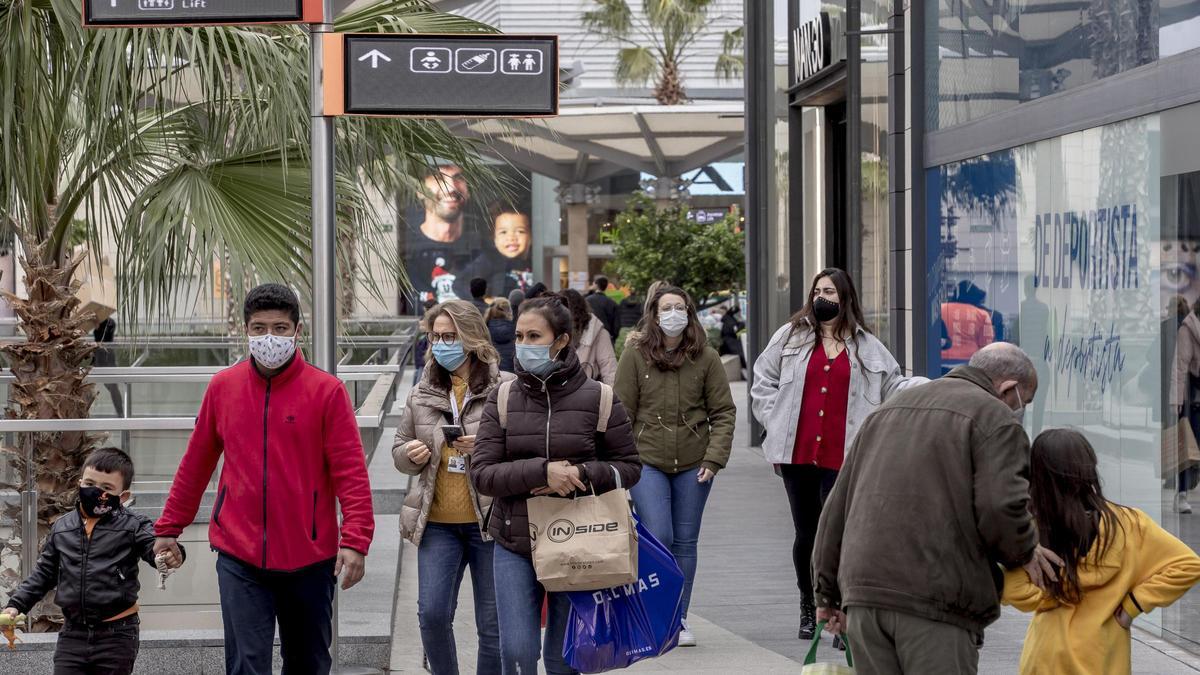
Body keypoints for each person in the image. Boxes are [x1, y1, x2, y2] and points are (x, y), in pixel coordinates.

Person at [154, 283, 375, 675]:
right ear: (245, 330)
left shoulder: (327, 392)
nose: (268, 338)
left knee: (307, 664)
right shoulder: (223, 388)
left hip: (310, 559)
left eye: (279, 328)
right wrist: (170, 526)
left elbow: (351, 473)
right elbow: (196, 463)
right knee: (246, 666)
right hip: (239, 555)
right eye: (258, 328)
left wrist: (355, 541)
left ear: (297, 330)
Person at [812, 342, 1063, 675]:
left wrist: (825, 594)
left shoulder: (888, 410)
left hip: (864, 596)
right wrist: (1025, 551)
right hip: (935, 601)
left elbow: (835, 510)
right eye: (1024, 401)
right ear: (1009, 388)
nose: (1021, 409)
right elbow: (1000, 506)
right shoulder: (996, 418)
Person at [750, 268, 925, 643]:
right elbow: (762, 379)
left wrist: (925, 388)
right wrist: (773, 417)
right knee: (807, 534)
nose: (821, 297)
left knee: (842, 536)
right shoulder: (791, 336)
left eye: (828, 291)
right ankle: (808, 605)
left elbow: (893, 384)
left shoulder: (867, 346)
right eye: (816, 291)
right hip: (797, 452)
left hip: (843, 455)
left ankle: (841, 614)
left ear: (844, 298)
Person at [469, 296, 642, 675]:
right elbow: (482, 473)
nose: (524, 344)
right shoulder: (503, 398)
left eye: (535, 335)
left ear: (561, 340)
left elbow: (629, 468)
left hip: (579, 539)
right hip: (514, 540)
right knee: (516, 652)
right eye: (519, 335)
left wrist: (581, 475)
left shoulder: (599, 398)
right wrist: (542, 472)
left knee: (564, 660)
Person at [1003, 429, 1200, 674]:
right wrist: (1133, 605)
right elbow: (1188, 565)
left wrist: (1047, 590)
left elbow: (1011, 589)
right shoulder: (1129, 524)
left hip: (1048, 660)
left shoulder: (1034, 533)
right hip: (1106, 661)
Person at [393, 300, 514, 675]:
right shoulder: (422, 391)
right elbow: (399, 448)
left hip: (491, 523)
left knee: (492, 626)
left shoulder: (506, 387)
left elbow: (527, 449)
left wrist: (488, 446)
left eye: (450, 336)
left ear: (472, 337)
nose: (442, 343)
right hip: (437, 522)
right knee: (431, 614)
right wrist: (410, 455)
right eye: (436, 336)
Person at [615, 285, 736, 647]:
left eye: (679, 307)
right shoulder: (635, 355)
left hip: (694, 464)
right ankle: (654, 613)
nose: (673, 314)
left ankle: (678, 618)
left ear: (689, 313)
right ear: (653, 313)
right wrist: (622, 464)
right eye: (666, 308)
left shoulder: (707, 357)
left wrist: (714, 458)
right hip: (647, 460)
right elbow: (621, 412)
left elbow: (724, 412)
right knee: (659, 537)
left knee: (685, 542)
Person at [4, 448, 184, 675]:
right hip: (72, 634)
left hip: (117, 634)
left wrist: (169, 555)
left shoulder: (133, 525)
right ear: (79, 484)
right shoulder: (62, 527)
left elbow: (155, 546)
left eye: (107, 488)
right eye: (89, 484)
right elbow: (43, 574)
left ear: (124, 496)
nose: (96, 492)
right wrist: (16, 605)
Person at [1171, 297, 1200, 513]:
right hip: (1195, 395)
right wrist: (1176, 400)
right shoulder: (1188, 329)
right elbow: (1179, 367)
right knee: (1188, 446)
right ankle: (1181, 494)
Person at [558, 289, 617, 385]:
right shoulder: (554, 330)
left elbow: (609, 370)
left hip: (588, 394)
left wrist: (610, 398)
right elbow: (610, 370)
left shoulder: (597, 332)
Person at [940, 280, 996, 371]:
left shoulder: (940, 309)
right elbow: (986, 345)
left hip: (940, 360)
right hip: (969, 362)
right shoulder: (981, 314)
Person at [93, 317, 125, 416]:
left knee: (113, 387)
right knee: (109, 386)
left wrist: (98, 327)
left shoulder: (110, 322)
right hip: (98, 358)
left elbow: (106, 338)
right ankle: (120, 412)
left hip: (108, 358)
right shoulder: (97, 320)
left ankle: (120, 412)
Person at [585, 275, 619, 343]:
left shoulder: (587, 300)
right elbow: (616, 324)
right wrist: (613, 337)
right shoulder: (612, 303)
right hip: (607, 337)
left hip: (590, 337)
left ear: (596, 285)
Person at [487, 299, 517, 373]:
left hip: (492, 376)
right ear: (509, 312)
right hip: (513, 375)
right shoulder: (517, 331)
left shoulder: (484, 331)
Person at [717, 301, 746, 370]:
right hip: (730, 342)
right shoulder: (729, 320)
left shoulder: (728, 319)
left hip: (728, 342)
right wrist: (740, 325)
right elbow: (733, 331)